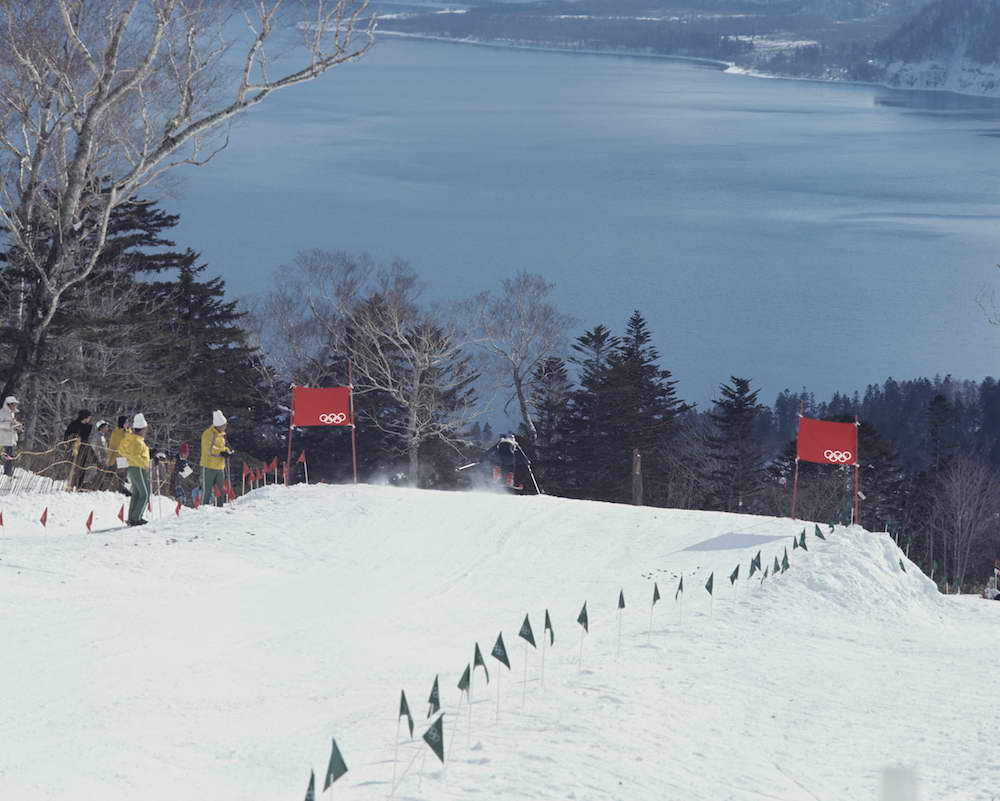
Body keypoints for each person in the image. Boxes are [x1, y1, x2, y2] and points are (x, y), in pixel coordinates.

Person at [117, 413, 152, 526]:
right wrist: (145, 464)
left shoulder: (133, 439)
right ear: (142, 429)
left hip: (135, 467)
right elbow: (135, 456)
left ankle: (132, 517)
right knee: (145, 494)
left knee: (137, 493)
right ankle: (136, 518)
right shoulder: (137, 441)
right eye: (145, 428)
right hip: (137, 468)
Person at [200, 410, 233, 507]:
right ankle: (204, 507)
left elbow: (221, 447)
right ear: (218, 425)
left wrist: (227, 451)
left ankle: (220, 507)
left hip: (220, 466)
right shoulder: (208, 434)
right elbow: (209, 449)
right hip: (209, 466)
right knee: (207, 490)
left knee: (221, 490)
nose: (225, 427)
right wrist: (221, 452)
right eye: (223, 425)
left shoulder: (221, 434)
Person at [63, 409, 94, 490]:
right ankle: (70, 484)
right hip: (73, 449)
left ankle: (79, 486)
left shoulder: (88, 427)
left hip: (83, 449)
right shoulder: (74, 424)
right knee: (73, 467)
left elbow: (86, 438)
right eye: (88, 417)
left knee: (82, 467)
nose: (89, 419)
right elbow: (67, 435)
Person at [106, 415, 131, 496]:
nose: (127, 424)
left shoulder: (129, 431)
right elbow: (112, 445)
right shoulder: (116, 432)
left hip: (125, 457)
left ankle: (121, 488)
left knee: (123, 475)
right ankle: (112, 488)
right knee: (115, 473)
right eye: (126, 422)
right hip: (118, 456)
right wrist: (109, 458)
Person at [0, 396, 22, 478]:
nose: (15, 406)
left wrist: (17, 427)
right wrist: (11, 425)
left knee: (11, 456)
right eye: (14, 404)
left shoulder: (12, 413)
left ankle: (9, 473)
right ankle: (6, 473)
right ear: (9, 404)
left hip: (10, 439)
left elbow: (12, 424)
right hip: (4, 439)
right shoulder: (2, 413)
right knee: (6, 456)